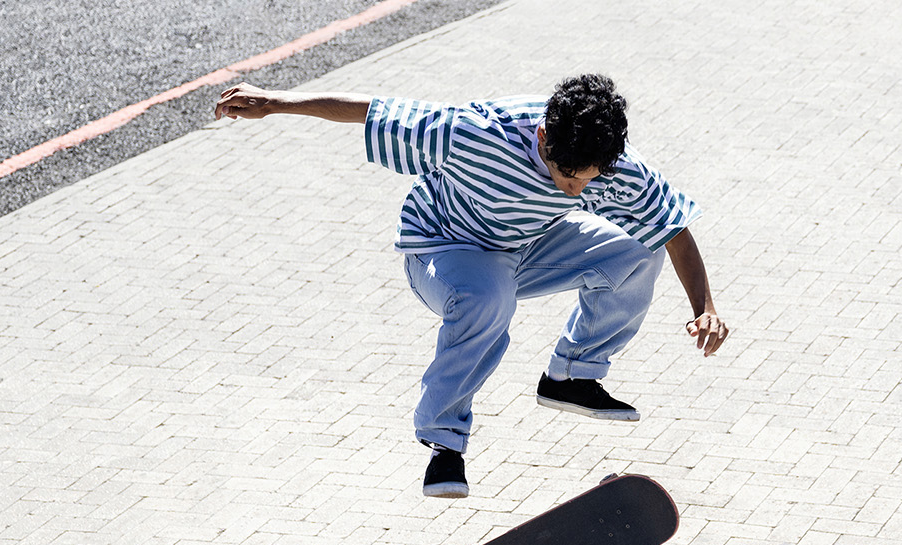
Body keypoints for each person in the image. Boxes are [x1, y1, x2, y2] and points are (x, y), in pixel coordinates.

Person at [214, 74, 728, 498]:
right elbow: (371, 109)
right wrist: (276, 103)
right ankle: (444, 441)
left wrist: (704, 306)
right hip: (444, 250)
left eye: (589, 180)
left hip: (526, 247)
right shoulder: (474, 133)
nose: (577, 188)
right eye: (567, 176)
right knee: (489, 299)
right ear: (544, 137)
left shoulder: (613, 164)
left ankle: (570, 375)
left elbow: (674, 229)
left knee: (638, 248)